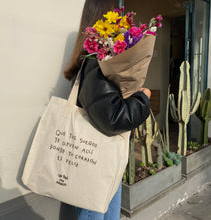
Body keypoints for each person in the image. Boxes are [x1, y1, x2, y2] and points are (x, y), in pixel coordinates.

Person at [63, 0, 151, 219]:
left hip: (99, 163)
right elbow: (113, 118)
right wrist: (143, 98)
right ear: (106, 18)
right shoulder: (95, 63)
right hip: (95, 166)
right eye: (116, 13)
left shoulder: (92, 61)